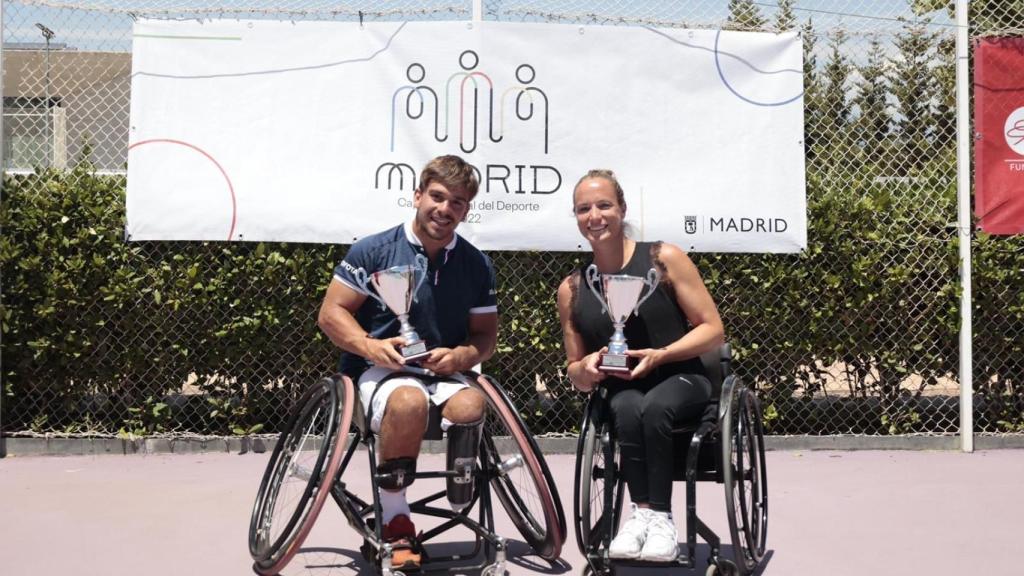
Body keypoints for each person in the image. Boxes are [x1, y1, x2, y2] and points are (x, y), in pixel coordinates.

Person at [318, 155, 497, 570]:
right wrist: (369, 345)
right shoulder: (372, 250)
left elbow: (485, 337)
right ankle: (396, 518)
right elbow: (331, 314)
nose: (445, 209)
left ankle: (461, 487)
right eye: (437, 197)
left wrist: (462, 355)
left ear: (466, 210)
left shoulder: (477, 264)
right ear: (417, 196)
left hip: (442, 372)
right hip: (379, 370)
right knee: (408, 402)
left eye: (457, 202)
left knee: (473, 405)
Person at [556, 169, 725, 562]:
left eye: (603, 205)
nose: (594, 216)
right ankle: (641, 514)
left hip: (682, 377)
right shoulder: (572, 288)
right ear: (576, 217)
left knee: (654, 406)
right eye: (584, 209)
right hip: (623, 389)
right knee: (628, 407)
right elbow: (575, 371)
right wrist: (588, 368)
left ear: (622, 209)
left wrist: (661, 355)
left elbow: (713, 330)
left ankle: (662, 519)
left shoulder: (663, 258)